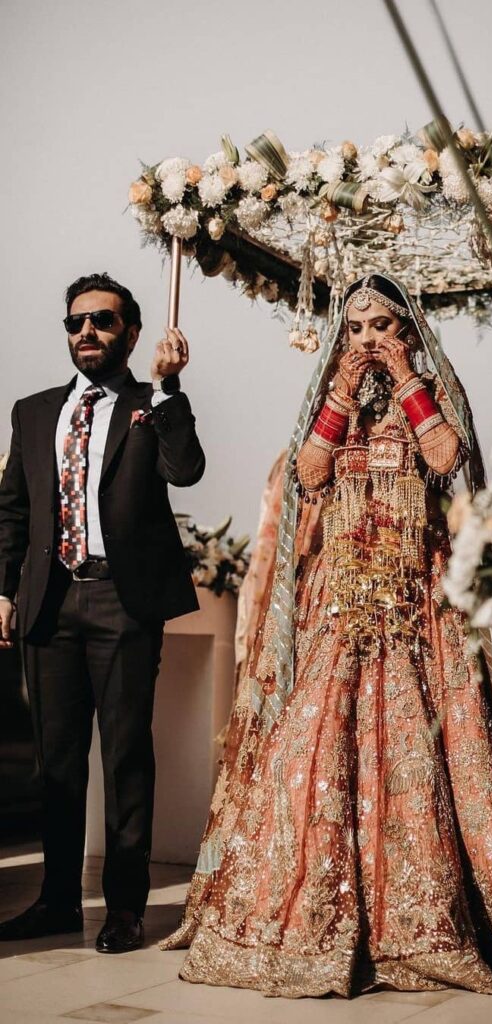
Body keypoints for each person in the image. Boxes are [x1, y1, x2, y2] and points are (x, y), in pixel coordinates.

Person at [161, 273, 492, 997]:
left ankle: (433, 917)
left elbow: (447, 460)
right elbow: (309, 476)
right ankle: (314, 915)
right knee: (315, 753)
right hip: (341, 602)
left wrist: (407, 378)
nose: (368, 339)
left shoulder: (430, 396)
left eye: (383, 325)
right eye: (355, 328)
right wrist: (343, 390)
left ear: (410, 332)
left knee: (437, 751)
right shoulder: (334, 404)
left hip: (422, 604)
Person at [0, 272, 205, 954]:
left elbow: (186, 472)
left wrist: (171, 389)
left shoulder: (153, 403)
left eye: (103, 321)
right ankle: (58, 902)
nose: (86, 331)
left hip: (122, 600)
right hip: (49, 604)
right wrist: (4, 589)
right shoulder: (31, 412)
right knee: (54, 766)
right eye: (75, 322)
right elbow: (13, 510)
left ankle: (124, 909)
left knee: (124, 757)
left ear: (132, 333)